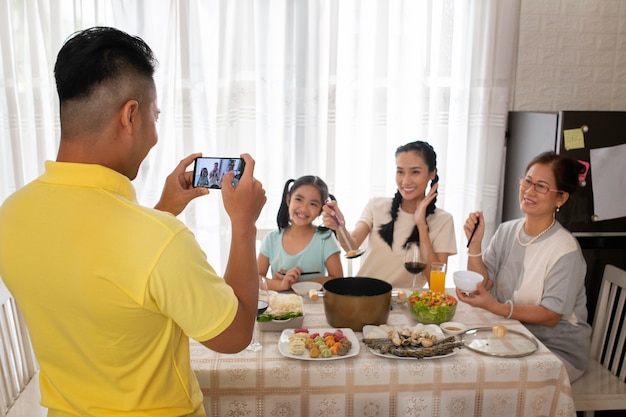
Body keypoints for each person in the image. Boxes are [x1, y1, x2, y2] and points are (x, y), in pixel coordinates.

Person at [0, 27, 266, 417]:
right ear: (130, 115)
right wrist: (243, 225)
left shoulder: (12, 215)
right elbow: (236, 333)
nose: (155, 134)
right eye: (154, 116)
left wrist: (163, 208)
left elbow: (102, 280)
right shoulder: (160, 241)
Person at [458, 151, 590, 382]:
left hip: (555, 350)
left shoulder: (565, 249)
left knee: (489, 379)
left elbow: (550, 315)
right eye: (527, 181)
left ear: (561, 199)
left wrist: (497, 307)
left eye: (541, 187)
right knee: (462, 362)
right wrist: (475, 244)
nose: (528, 191)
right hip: (512, 337)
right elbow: (483, 283)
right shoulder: (508, 231)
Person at [322, 140, 457, 288]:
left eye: (415, 172)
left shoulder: (443, 221)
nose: (405, 181)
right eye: (400, 171)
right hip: (363, 296)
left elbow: (435, 284)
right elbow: (351, 247)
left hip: (404, 305)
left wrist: (421, 226)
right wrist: (340, 227)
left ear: (432, 173)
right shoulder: (377, 205)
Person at [258, 176, 343, 291]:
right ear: (288, 200)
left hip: (315, 307)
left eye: (313, 204)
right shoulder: (271, 238)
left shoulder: (326, 238)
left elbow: (337, 279)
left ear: (320, 211)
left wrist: (298, 284)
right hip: (280, 306)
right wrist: (281, 285)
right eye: (299, 199)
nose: (304, 208)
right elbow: (256, 278)